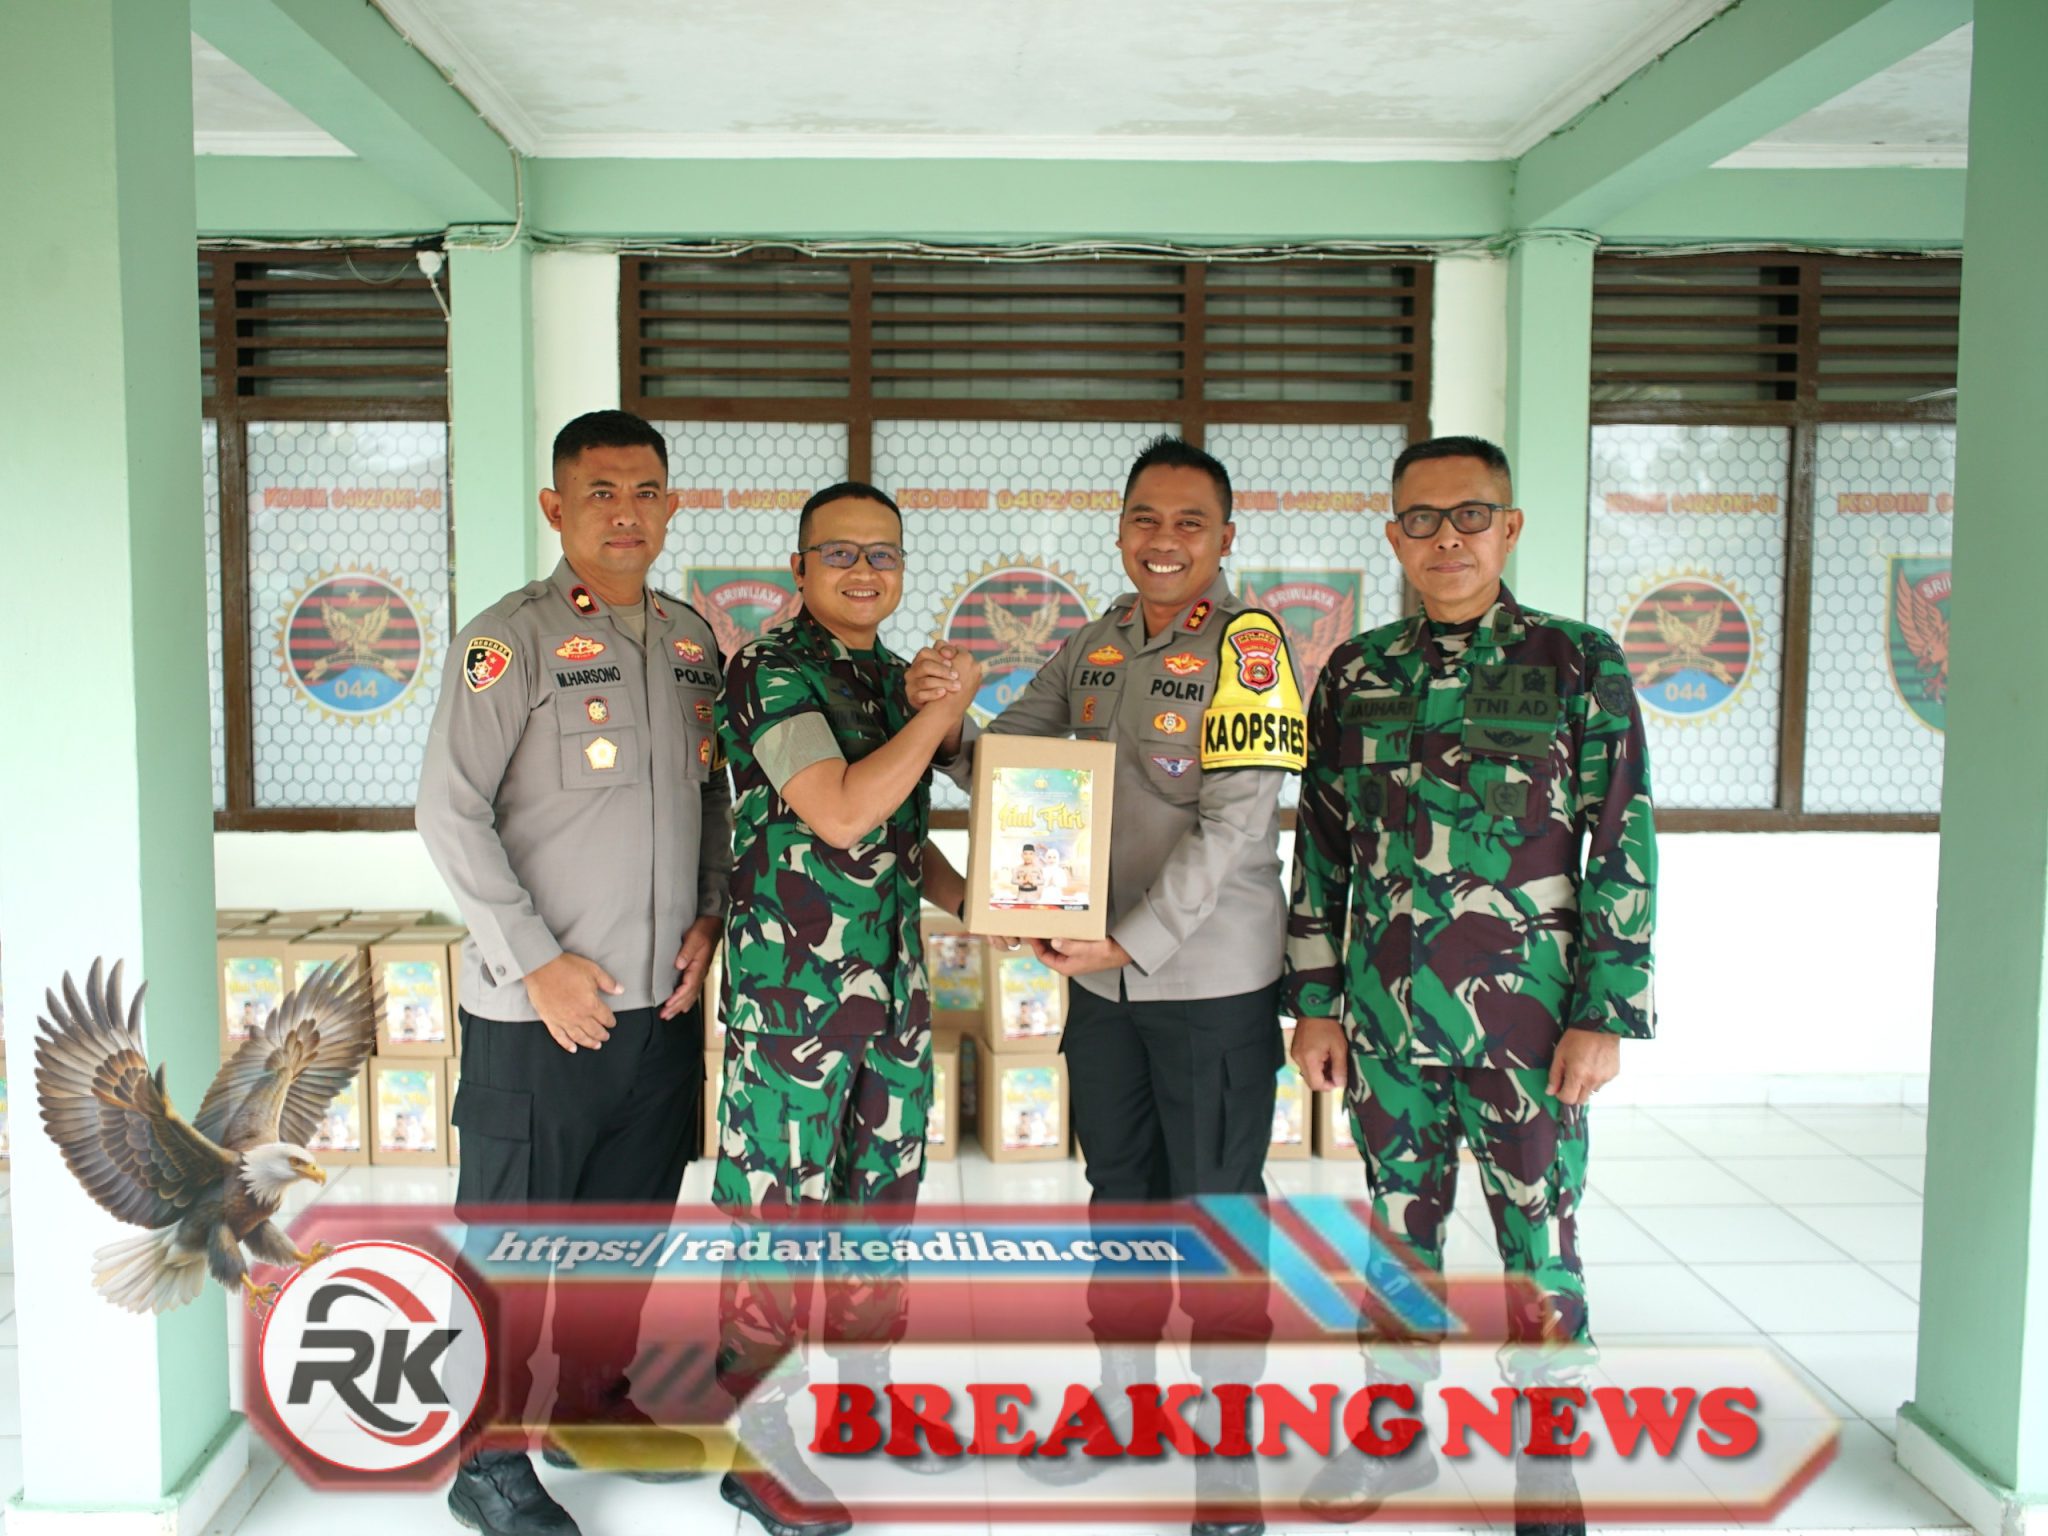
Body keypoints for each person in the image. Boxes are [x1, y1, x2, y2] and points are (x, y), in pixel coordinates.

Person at [916, 434, 1302, 1536]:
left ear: (1224, 538)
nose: (1163, 540)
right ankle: (1123, 1403)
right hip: (1101, 989)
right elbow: (1005, 764)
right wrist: (941, 715)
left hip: (1206, 985)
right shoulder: (1092, 645)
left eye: (1189, 522)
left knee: (1217, 1208)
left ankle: (1228, 1457)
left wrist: (1127, 942)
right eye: (1145, 518)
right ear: (1121, 527)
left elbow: (1235, 826)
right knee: (1120, 1196)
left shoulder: (1251, 650)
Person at [1285, 435, 1656, 1536]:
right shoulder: (1356, 673)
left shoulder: (1576, 662)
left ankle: (1547, 1461)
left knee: (1540, 1238)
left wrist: (1604, 1012)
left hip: (1527, 1026)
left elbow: (1621, 841)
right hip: (1385, 1019)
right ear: (1393, 534)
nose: (1444, 538)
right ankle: (1393, 1439)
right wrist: (1314, 1000)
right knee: (1398, 1234)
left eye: (1468, 516)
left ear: (1509, 527)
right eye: (1421, 519)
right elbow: (1321, 847)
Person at [417, 409, 733, 1536]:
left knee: (626, 1229)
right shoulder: (510, 642)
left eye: (645, 491)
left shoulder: (692, 644)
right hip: (535, 1014)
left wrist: (710, 912)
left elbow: (712, 800)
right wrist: (538, 963)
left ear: (670, 505)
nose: (624, 512)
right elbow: (448, 813)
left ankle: (590, 1402)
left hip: (659, 1008)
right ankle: (485, 1464)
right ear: (557, 508)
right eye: (601, 492)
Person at [713, 481, 978, 1536]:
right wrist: (941, 718)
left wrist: (994, 902)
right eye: (841, 553)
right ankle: (759, 1445)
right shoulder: (770, 670)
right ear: (799, 568)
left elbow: (900, 842)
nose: (865, 571)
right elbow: (837, 812)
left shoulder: (889, 678)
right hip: (793, 1009)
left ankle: (867, 1400)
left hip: (892, 998)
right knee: (776, 1220)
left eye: (884, 554)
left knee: (881, 1206)